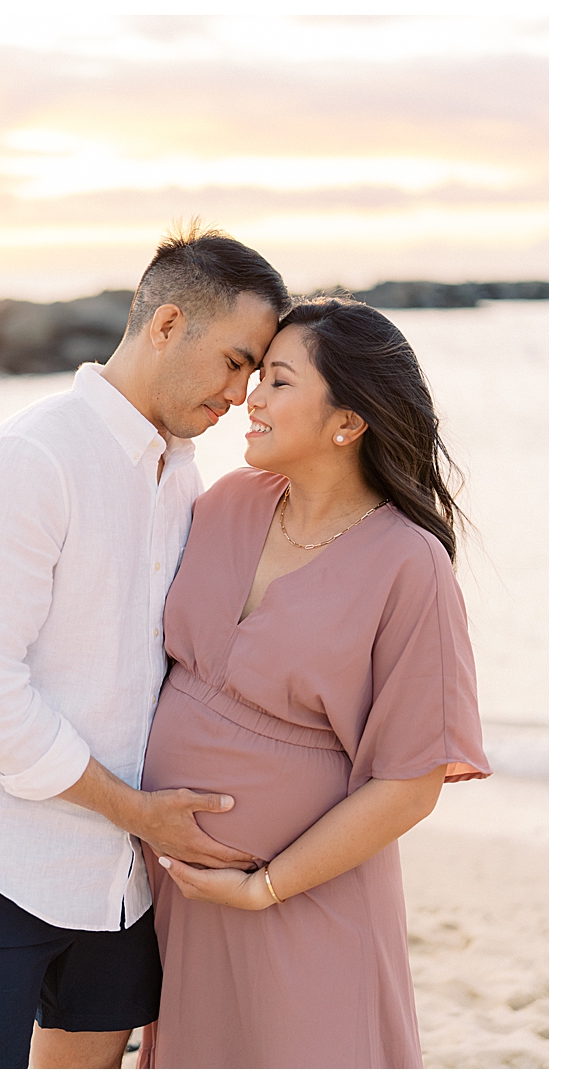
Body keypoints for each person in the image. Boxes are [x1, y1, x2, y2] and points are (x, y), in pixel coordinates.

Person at [0, 226, 291, 1069]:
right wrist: (135, 811)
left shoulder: (182, 473)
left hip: (117, 881)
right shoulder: (28, 458)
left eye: (257, 375)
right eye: (234, 361)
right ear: (168, 323)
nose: (240, 394)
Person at [137, 298, 490, 1068]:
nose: (249, 399)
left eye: (279, 382)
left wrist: (265, 886)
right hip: (185, 899)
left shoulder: (409, 565)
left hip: (307, 906)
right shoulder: (227, 503)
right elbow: (127, 636)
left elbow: (412, 779)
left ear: (347, 422)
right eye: (256, 376)